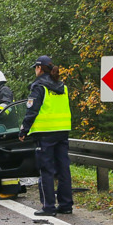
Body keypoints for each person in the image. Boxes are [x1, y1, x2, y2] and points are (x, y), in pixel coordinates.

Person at [18, 55, 73, 216]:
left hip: (45, 134)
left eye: (35, 68)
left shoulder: (39, 86)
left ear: (39, 68)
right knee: (63, 169)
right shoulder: (63, 86)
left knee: (46, 170)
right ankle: (66, 205)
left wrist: (24, 130)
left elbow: (32, 110)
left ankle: (48, 207)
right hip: (62, 131)